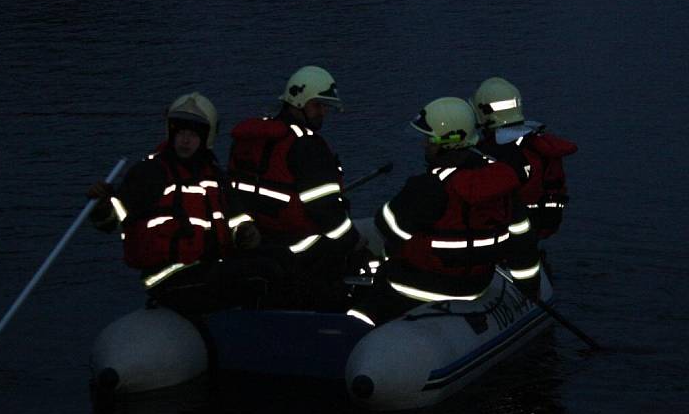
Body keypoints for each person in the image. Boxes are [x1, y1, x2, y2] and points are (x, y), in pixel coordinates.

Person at [87, 92, 276, 315]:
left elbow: (236, 220)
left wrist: (246, 232)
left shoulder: (215, 176)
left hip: (206, 269)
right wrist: (102, 206)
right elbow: (111, 221)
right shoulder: (150, 173)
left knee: (276, 260)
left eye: (193, 134)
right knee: (262, 274)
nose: (185, 140)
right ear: (171, 133)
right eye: (181, 133)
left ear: (206, 137)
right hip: (168, 276)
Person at [347, 97, 524, 326]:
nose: (425, 144)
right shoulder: (499, 183)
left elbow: (385, 227)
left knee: (358, 309)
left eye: (430, 139)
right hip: (476, 285)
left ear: (448, 141)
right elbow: (521, 238)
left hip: (417, 290)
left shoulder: (428, 187)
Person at [227, 65, 362, 310]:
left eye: (325, 107)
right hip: (298, 247)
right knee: (349, 256)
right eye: (317, 105)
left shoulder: (252, 139)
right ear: (298, 102)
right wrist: (356, 243)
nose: (323, 112)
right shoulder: (308, 147)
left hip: (255, 241)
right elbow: (327, 214)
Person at [470, 77, 578, 295]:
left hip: (512, 234)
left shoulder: (498, 152)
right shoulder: (535, 142)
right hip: (540, 227)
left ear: (482, 112)